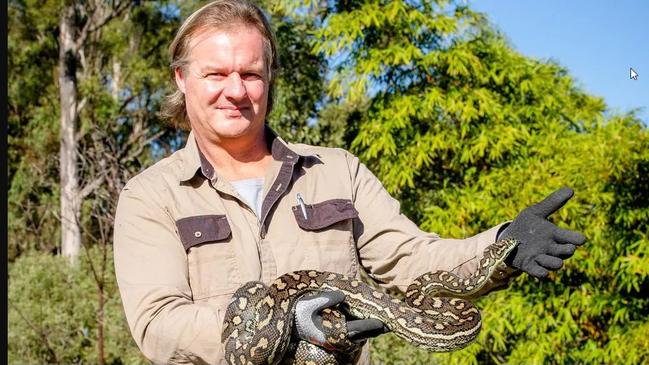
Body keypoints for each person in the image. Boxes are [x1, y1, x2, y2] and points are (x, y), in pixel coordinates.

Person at [113, 1, 586, 364]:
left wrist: (499, 246)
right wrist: (286, 324)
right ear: (182, 77)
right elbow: (159, 323)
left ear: (269, 79)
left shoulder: (338, 172)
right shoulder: (150, 196)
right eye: (216, 73)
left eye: (251, 74)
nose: (236, 90)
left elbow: (411, 260)